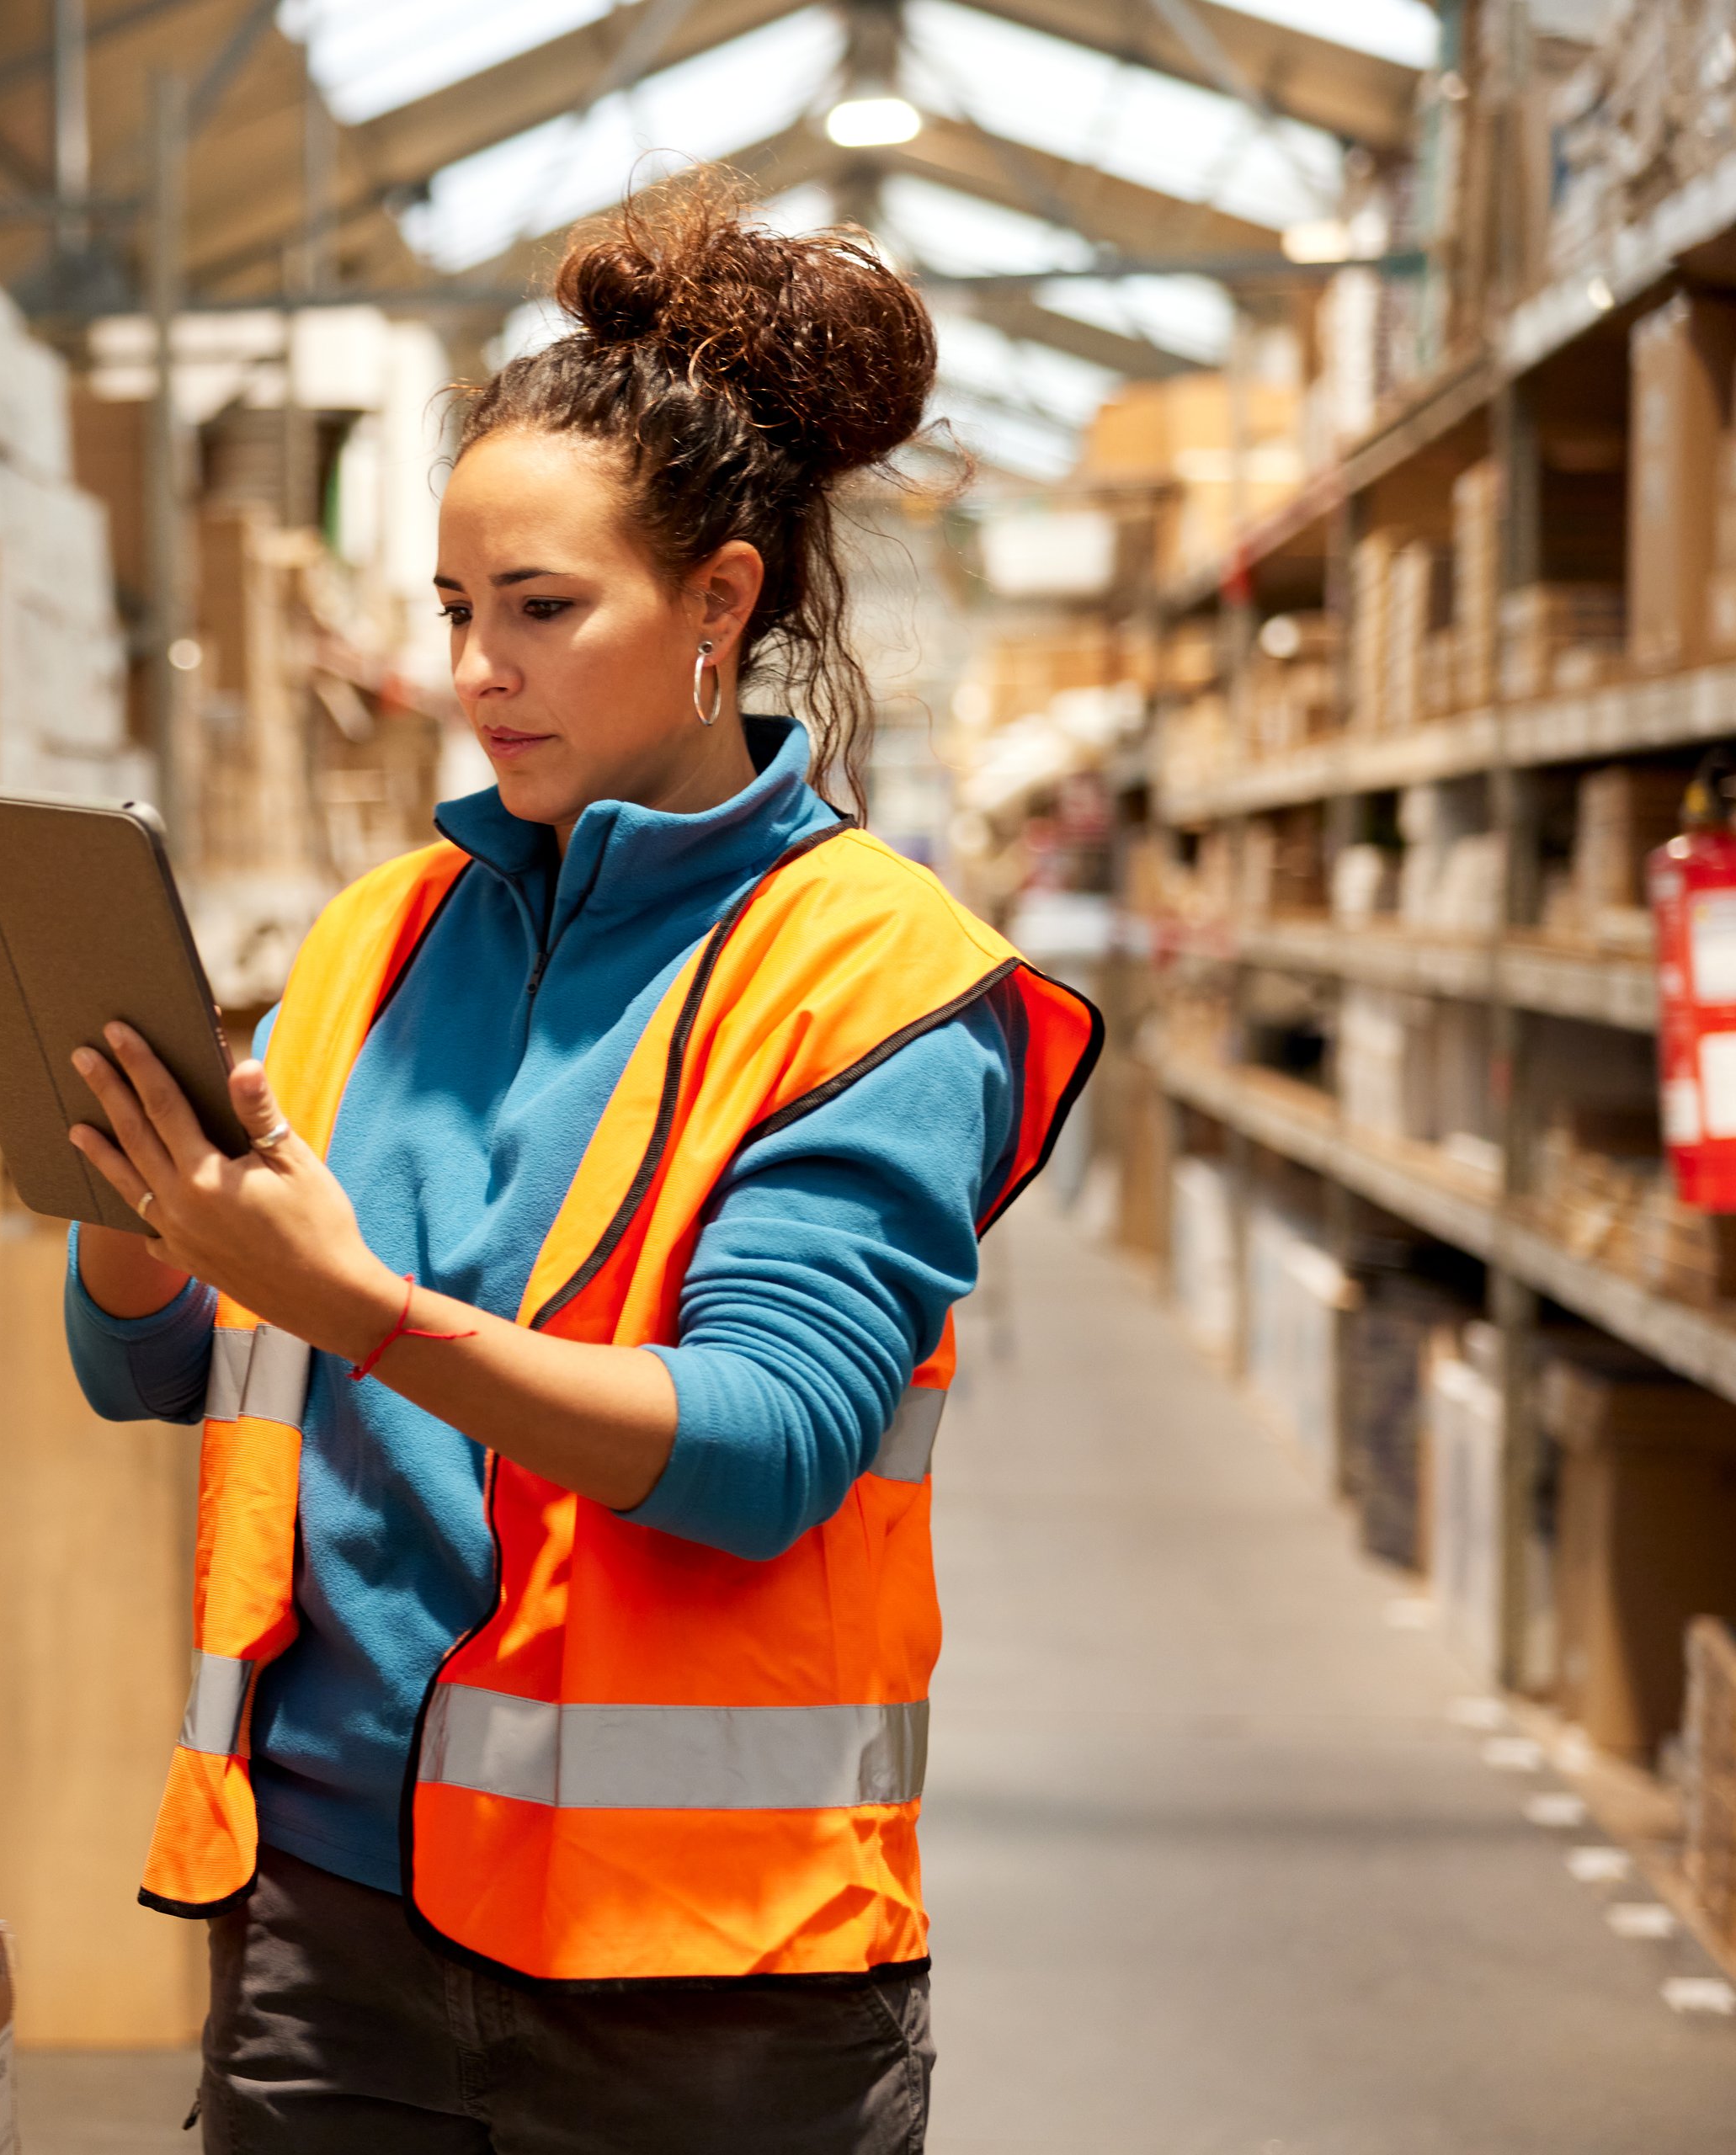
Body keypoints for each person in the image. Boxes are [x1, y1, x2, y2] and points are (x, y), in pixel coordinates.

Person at [57, 169, 1097, 2155]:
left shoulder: (872, 974)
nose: (480, 670)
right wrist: (137, 1208)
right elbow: (161, 1364)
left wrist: (355, 1302)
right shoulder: (377, 937)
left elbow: (762, 1442)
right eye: (458, 611)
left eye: (543, 609)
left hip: (698, 1973)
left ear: (721, 601)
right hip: (325, 1914)